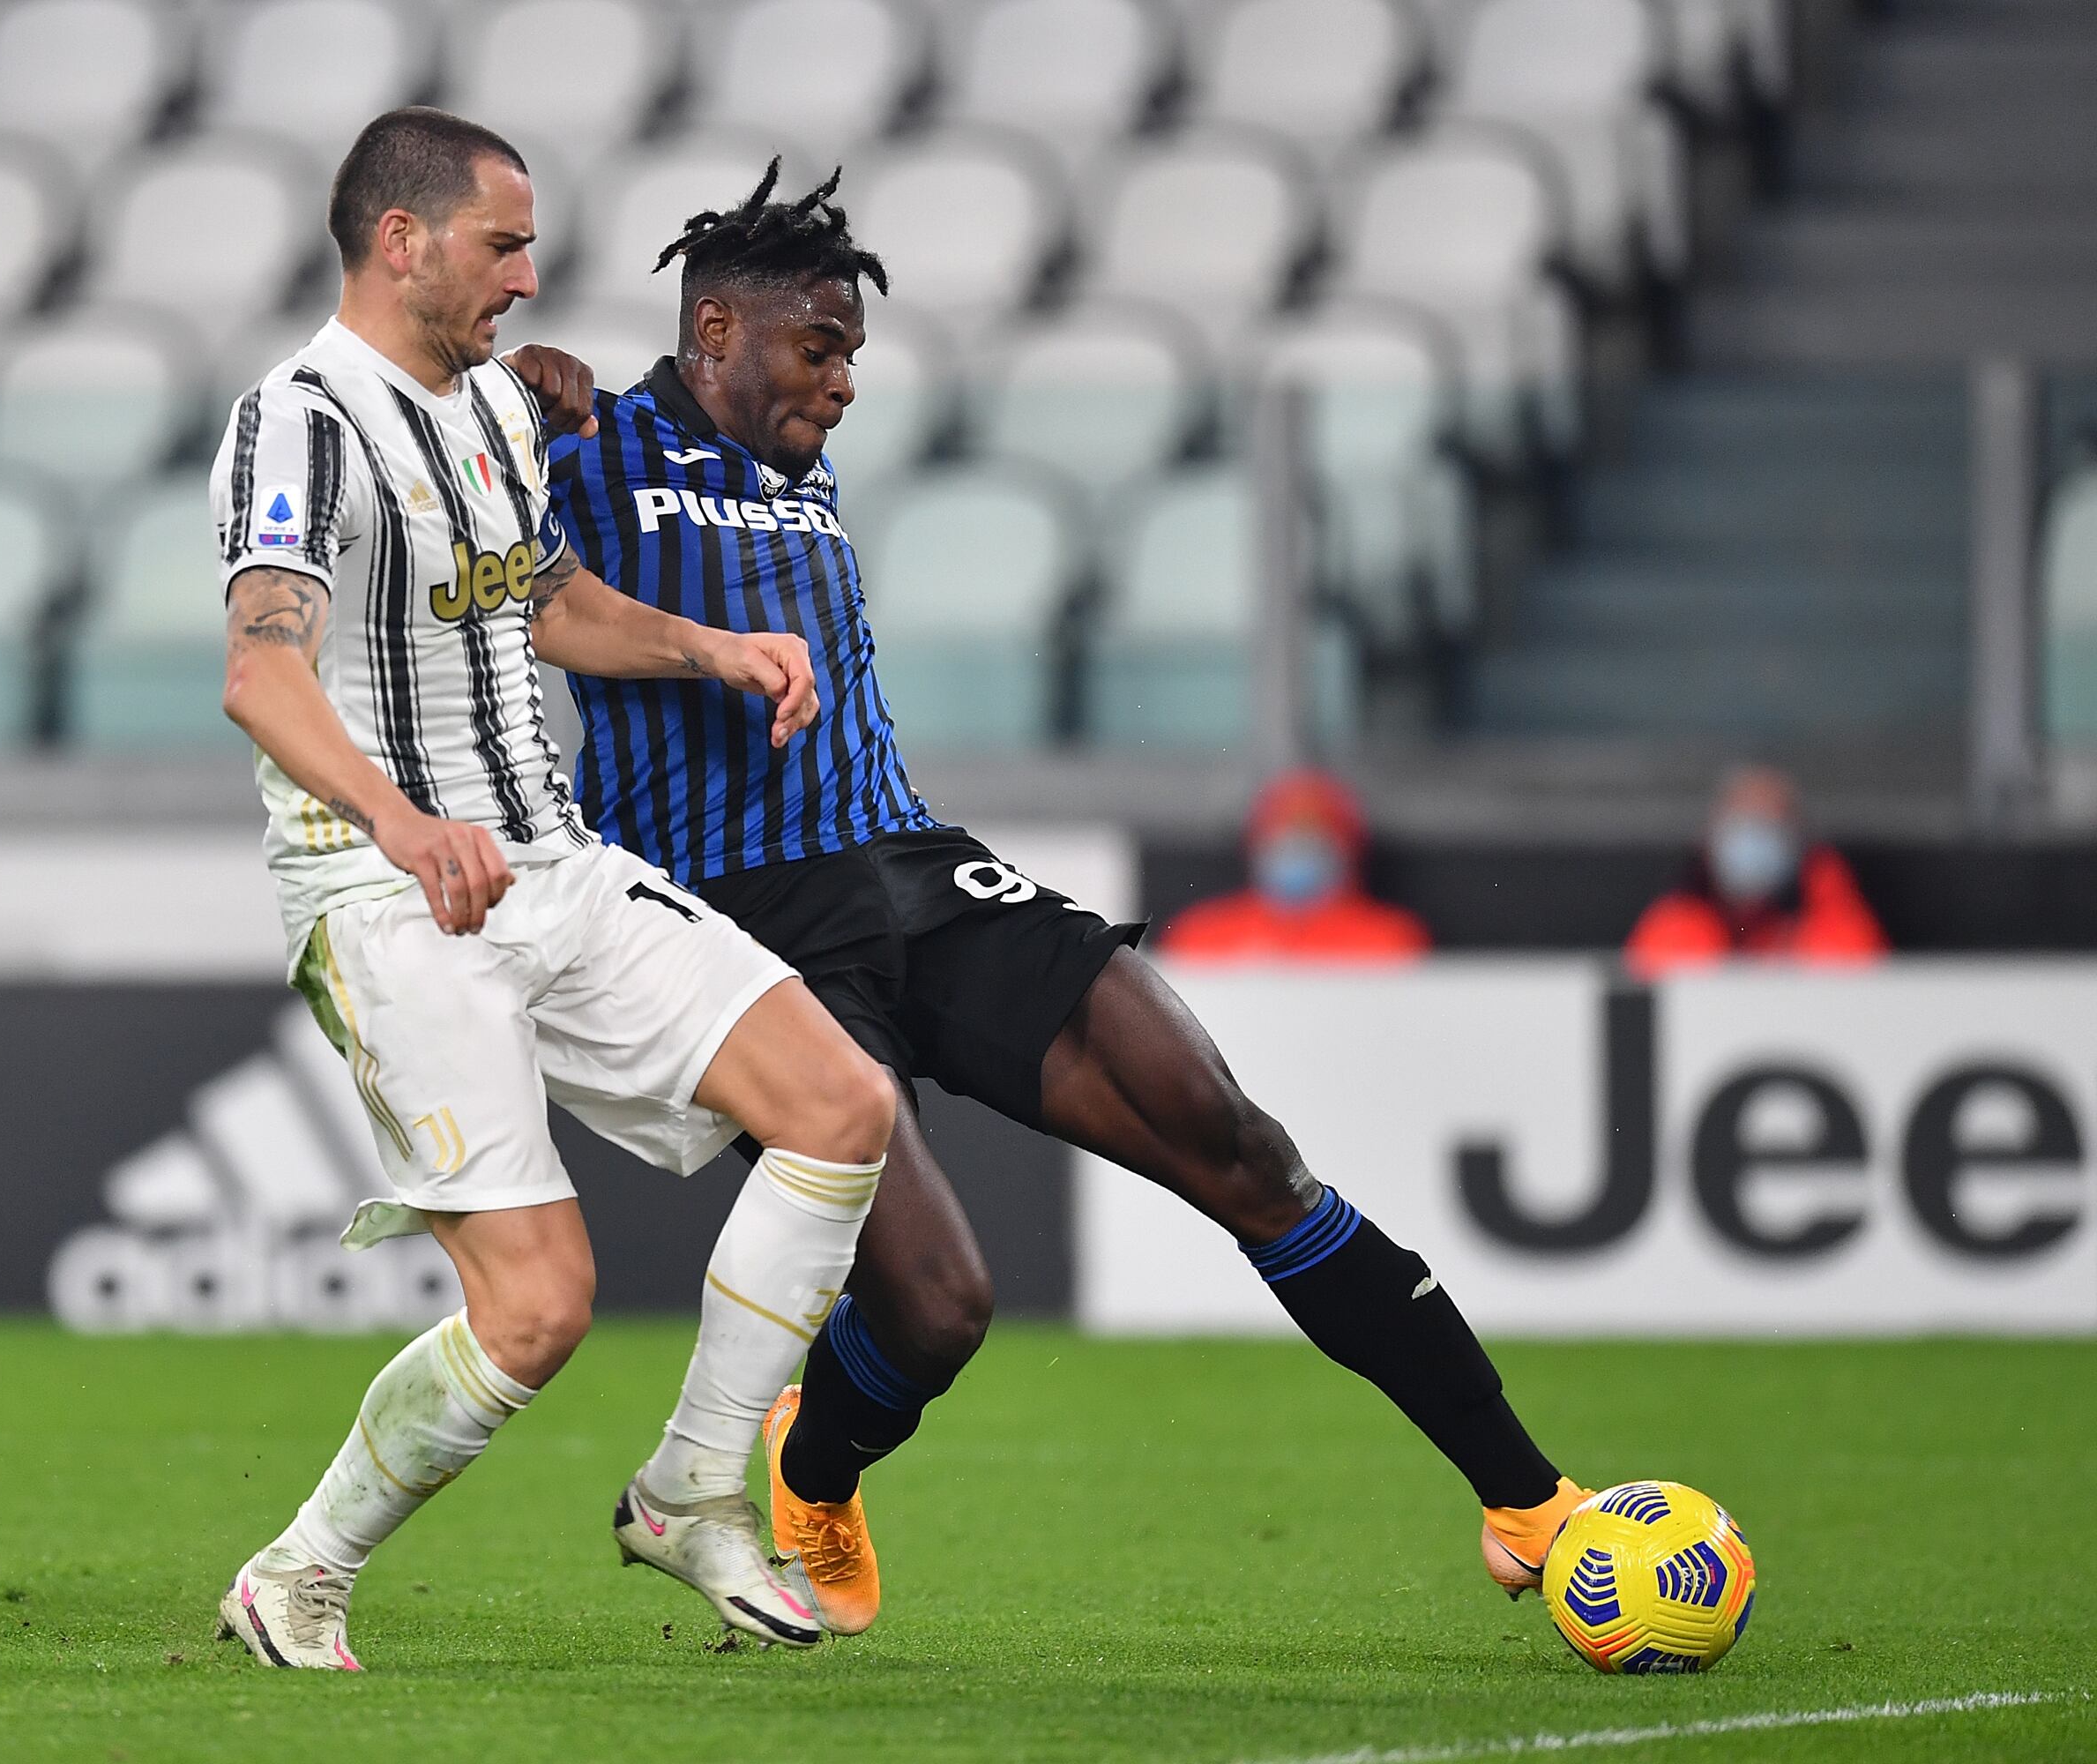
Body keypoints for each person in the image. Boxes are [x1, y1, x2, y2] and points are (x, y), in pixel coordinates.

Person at [543, 161, 1588, 1640]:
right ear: (714, 330)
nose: (844, 382)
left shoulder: (797, 467)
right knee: (940, 1307)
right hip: (742, 920)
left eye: (853, 353)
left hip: (913, 864)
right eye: (818, 348)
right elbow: (439, 490)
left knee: (1236, 1141)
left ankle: (1531, 1503)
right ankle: (813, 1471)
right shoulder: (585, 445)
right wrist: (505, 393)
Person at [207, 108, 907, 1671]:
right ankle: (298, 1571)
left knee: (840, 1105)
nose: (529, 276)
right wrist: (402, 823)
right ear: (403, 240)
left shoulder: (490, 414)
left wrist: (709, 647)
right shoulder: (301, 422)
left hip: (550, 862)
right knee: (536, 1309)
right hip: (390, 890)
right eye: (504, 244)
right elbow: (262, 671)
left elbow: (548, 604)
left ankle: (690, 1490)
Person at [1625, 766, 1888, 977]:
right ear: (1711, 835)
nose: (1754, 839)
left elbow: (1853, 984)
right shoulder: (1675, 924)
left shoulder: (1837, 923)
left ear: (1798, 839)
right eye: (1741, 823)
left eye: (1770, 825)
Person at [1157, 768, 1432, 962]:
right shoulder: (1198, 934)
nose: (1297, 847)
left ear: (1347, 848)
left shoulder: (1391, 938)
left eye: (1314, 836)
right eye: (1282, 835)